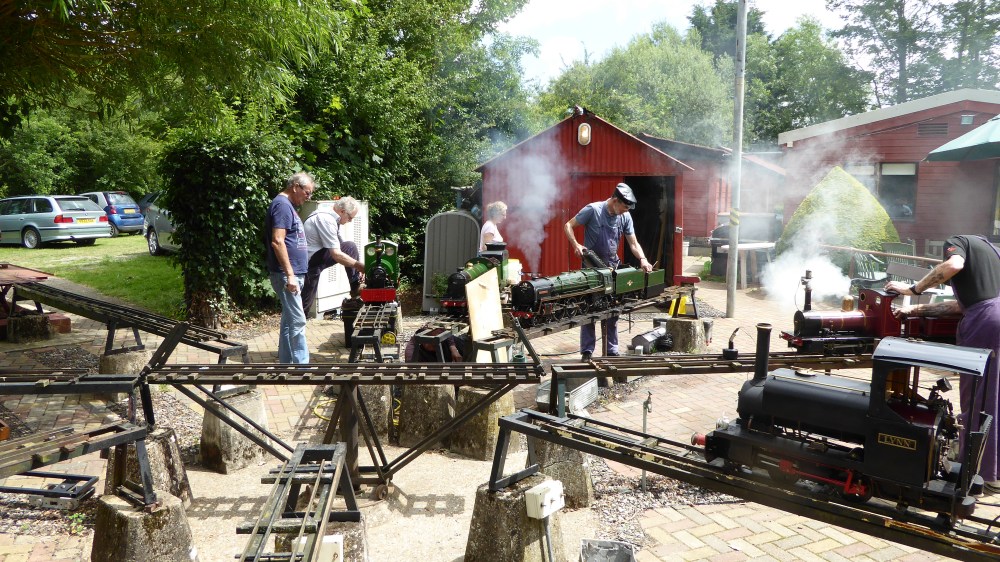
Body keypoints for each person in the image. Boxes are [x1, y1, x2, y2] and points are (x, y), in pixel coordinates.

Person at [885, 234, 1000, 492]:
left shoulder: (957, 241)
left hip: (987, 326)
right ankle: (994, 471)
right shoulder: (992, 254)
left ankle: (978, 472)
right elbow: (960, 307)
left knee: (978, 399)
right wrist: (914, 310)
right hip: (993, 319)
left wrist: (912, 290)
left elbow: (953, 265)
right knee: (996, 396)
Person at [563, 182, 654, 361]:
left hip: (612, 267)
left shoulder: (625, 217)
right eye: (625, 207)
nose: (626, 211)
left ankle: (612, 350)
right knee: (589, 310)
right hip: (591, 270)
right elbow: (568, 225)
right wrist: (576, 244)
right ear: (615, 201)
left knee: (613, 309)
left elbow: (633, 243)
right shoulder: (593, 210)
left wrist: (643, 259)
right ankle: (587, 351)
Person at [266, 172, 314, 364]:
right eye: (307, 192)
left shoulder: (287, 206)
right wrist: (290, 275)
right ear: (295, 187)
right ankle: (302, 369)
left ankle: (285, 365)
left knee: (288, 322)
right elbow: (278, 241)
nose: (308, 197)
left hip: (292, 274)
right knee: (298, 321)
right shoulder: (282, 206)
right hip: (287, 275)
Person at [301, 197, 366, 317]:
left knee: (349, 247)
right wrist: (359, 265)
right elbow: (336, 254)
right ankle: (296, 326)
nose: (350, 221)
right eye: (350, 217)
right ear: (342, 211)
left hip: (318, 256)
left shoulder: (332, 217)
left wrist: (357, 269)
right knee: (304, 304)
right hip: (309, 262)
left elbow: (341, 245)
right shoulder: (326, 219)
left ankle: (355, 287)